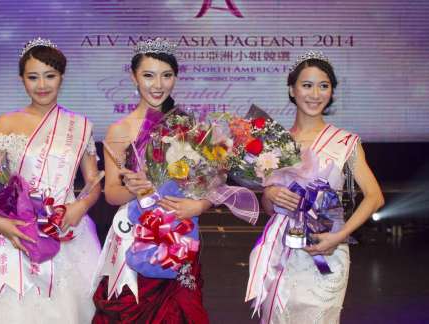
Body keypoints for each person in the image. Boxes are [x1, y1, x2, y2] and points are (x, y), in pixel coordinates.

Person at [0, 37, 102, 323]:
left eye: (50, 76)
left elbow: (93, 182)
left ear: (61, 76)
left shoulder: (80, 125)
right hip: (15, 229)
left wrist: (79, 208)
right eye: (33, 77)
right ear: (21, 79)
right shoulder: (7, 122)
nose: (42, 85)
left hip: (66, 229)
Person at [245, 50, 384, 323]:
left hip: (326, 249)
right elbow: (269, 208)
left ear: (331, 92)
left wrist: (339, 235)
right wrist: (270, 194)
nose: (315, 94)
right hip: (281, 250)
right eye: (307, 85)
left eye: (324, 86)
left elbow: (374, 197)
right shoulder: (275, 143)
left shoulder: (346, 141)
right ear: (292, 89)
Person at [92, 38, 211, 323]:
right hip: (136, 236)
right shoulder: (119, 131)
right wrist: (136, 190)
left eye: (166, 75)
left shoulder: (189, 125)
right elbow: (111, 194)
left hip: (180, 237)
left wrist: (200, 207)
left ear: (175, 78)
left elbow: (210, 186)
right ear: (134, 76)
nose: (158, 84)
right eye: (148, 75)